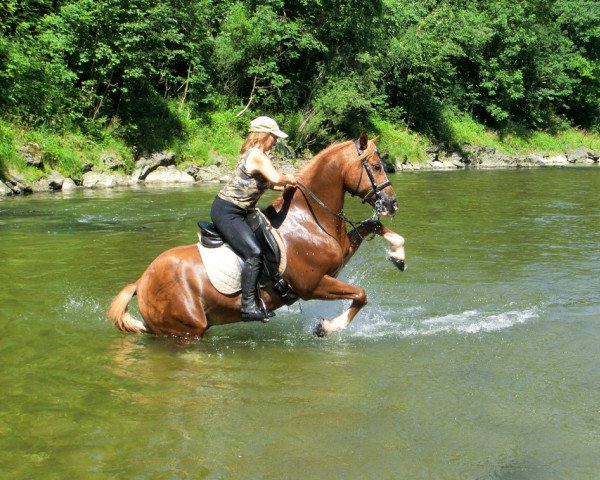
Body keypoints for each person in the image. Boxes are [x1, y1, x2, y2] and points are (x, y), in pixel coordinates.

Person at [210, 116, 297, 321]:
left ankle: (275, 289)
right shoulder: (257, 155)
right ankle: (248, 307)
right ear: (264, 136)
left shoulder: (258, 155)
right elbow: (276, 178)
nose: (275, 141)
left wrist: (292, 184)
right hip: (228, 211)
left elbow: (272, 184)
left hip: (244, 211)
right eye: (274, 137)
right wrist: (291, 178)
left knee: (270, 242)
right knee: (254, 252)